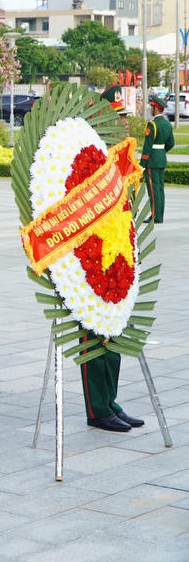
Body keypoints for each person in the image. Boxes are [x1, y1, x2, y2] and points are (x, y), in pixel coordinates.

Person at [78, 88, 146, 434]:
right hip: (92, 261)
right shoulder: (87, 158)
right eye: (117, 117)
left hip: (117, 256)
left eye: (124, 117)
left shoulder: (118, 158)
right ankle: (97, 408)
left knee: (114, 332)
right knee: (94, 335)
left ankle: (110, 401)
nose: (123, 123)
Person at [141, 94, 175, 224]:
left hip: (152, 161)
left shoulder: (152, 125)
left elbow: (147, 146)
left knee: (153, 189)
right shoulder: (167, 124)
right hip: (161, 159)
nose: (150, 109)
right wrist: (161, 152)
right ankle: (159, 215)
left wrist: (142, 163)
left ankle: (155, 216)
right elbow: (171, 143)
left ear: (155, 108)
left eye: (151, 107)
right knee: (160, 188)